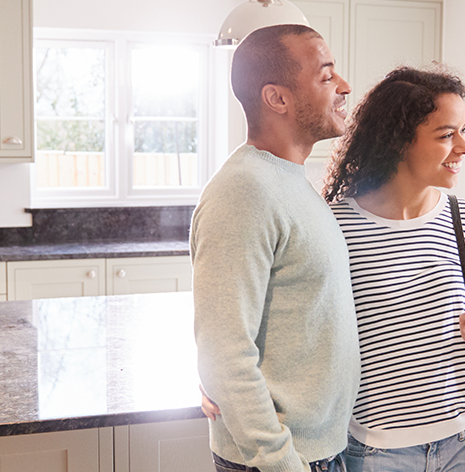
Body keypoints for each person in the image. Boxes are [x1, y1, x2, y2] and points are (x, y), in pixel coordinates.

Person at [191, 24, 358, 472]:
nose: (344, 86)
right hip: (283, 459)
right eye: (326, 76)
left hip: (317, 450)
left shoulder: (289, 181)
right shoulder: (244, 191)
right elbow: (224, 351)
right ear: (277, 98)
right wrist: (281, 461)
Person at [322, 66, 465, 472]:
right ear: (399, 139)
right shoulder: (333, 225)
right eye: (446, 135)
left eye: (463, 131)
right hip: (378, 449)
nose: (464, 147)